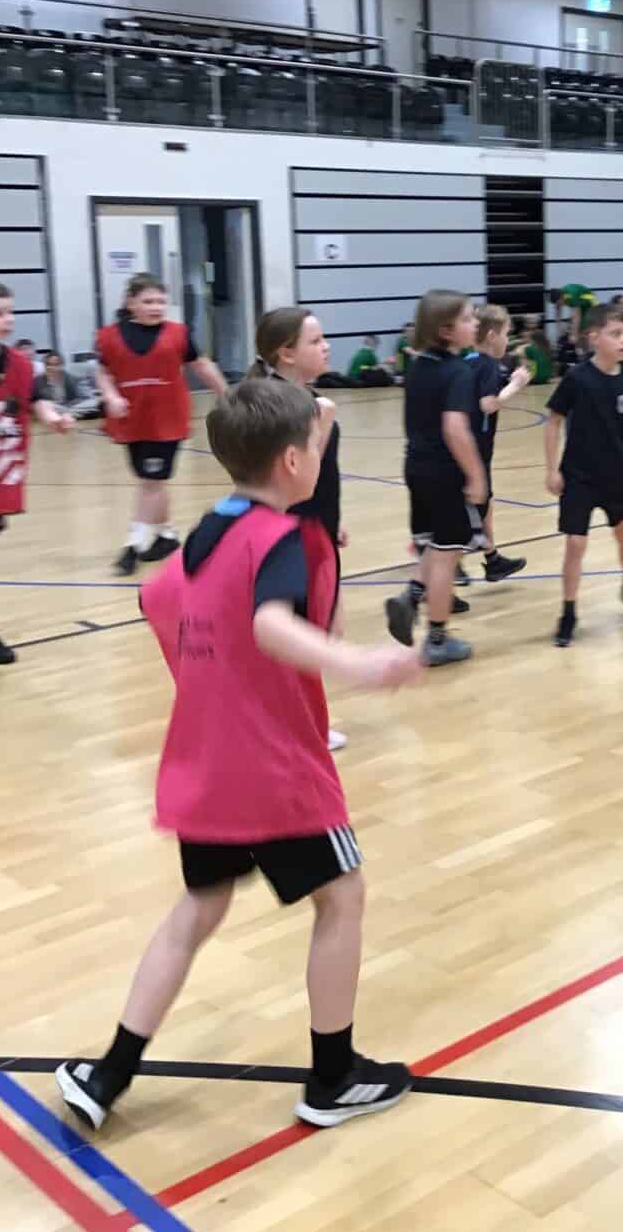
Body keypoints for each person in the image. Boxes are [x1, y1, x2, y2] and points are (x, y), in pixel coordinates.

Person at [54, 377, 421, 1135]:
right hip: (276, 771)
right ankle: (334, 1078)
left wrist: (211, 682)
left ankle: (109, 1073)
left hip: (206, 764)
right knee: (343, 895)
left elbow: (156, 602)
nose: (321, 449)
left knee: (200, 905)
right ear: (292, 462)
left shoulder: (208, 533)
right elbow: (268, 625)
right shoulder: (278, 539)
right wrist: (360, 664)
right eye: (315, 443)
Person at [0, 278, 73, 691]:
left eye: (10, 311)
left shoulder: (20, 365)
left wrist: (53, 418)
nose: (8, 320)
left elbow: (37, 400)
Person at [251, 308, 349, 752]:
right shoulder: (276, 403)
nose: (326, 347)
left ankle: (301, 719)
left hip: (316, 527)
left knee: (327, 628)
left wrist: (333, 521)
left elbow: (322, 476)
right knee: (307, 634)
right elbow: (294, 474)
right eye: (315, 341)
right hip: (288, 533)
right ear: (286, 353)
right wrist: (322, 424)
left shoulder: (305, 397)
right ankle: (302, 726)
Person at [96, 273, 228, 576]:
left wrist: (227, 396)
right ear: (131, 303)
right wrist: (111, 395)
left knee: (150, 481)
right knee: (151, 480)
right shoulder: (108, 336)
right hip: (131, 419)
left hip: (167, 419)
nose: (156, 307)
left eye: (160, 301)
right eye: (148, 301)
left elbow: (201, 365)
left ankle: (133, 545)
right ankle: (166, 535)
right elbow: (103, 371)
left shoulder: (178, 333)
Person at [384, 291, 486, 667]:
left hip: (416, 467)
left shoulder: (418, 366)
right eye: (468, 319)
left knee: (435, 544)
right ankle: (437, 639)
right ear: (446, 330)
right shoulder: (458, 371)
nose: (476, 324)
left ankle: (411, 596)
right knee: (448, 554)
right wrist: (476, 475)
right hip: (445, 473)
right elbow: (455, 428)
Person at [544, 304, 623, 648]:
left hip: (617, 476)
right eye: (615, 334)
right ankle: (569, 611)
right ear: (594, 338)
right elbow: (553, 421)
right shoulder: (577, 378)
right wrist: (551, 469)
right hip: (578, 477)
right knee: (575, 544)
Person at [464, 305, 531, 582]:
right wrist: (516, 384)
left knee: (484, 502)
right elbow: (488, 404)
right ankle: (443, 565)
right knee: (473, 505)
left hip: (466, 443)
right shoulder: (489, 365)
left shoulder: (468, 360)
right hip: (476, 448)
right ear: (492, 336)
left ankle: (492, 559)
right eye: (506, 334)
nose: (508, 340)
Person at [42, 350, 102, 417]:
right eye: (49, 364)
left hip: (73, 407)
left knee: (94, 403)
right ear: (45, 366)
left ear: (61, 365)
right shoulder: (40, 381)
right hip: (55, 409)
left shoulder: (73, 379)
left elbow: (88, 399)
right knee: (46, 406)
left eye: (56, 364)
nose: (53, 368)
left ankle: (69, 413)